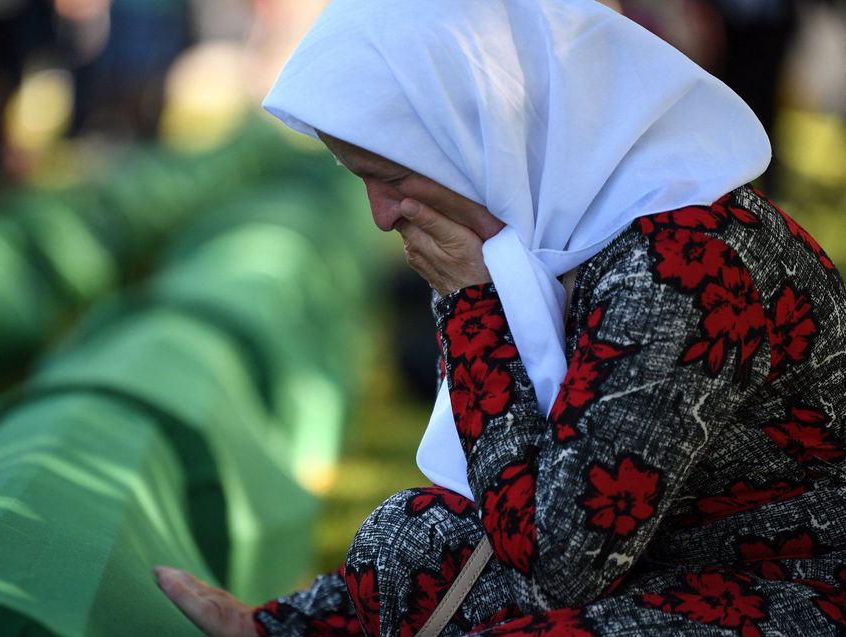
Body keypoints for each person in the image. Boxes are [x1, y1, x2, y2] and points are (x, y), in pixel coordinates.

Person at [154, 0, 846, 635]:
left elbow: (561, 563)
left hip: (790, 581)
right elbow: (518, 494)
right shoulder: (561, 222)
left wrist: (472, 305)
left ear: (478, 133)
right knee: (408, 540)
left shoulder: (682, 261)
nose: (381, 214)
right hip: (667, 554)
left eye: (391, 178)